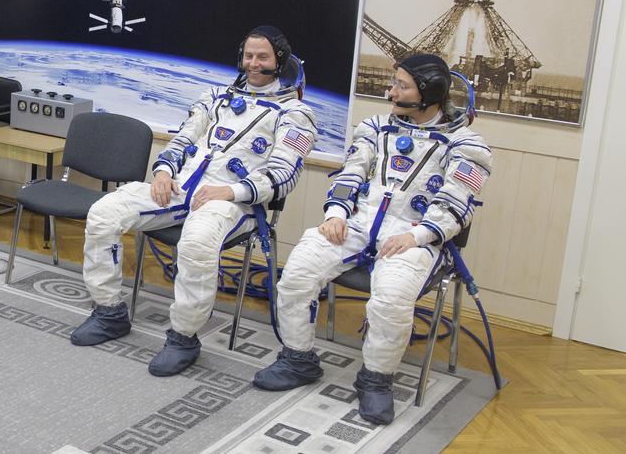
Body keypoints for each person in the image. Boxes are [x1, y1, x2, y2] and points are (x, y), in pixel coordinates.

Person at [253, 54, 491, 426]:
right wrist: (336, 214)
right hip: (357, 224)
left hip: (416, 237)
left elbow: (456, 204)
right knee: (298, 270)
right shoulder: (375, 128)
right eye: (394, 82)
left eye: (401, 85)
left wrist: (417, 236)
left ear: (428, 94)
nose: (390, 90)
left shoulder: (467, 146)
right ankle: (298, 359)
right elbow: (351, 173)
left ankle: (376, 380)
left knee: (391, 299)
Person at [69, 26, 317, 377]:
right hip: (183, 187)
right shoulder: (215, 96)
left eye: (263, 57)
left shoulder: (295, 115)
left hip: (236, 203)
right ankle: (109, 312)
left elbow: (284, 176)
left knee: (197, 242)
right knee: (104, 212)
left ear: (280, 61)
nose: (253, 64)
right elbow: (183, 139)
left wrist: (231, 191)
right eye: (248, 55)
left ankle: (183, 337)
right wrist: (163, 172)